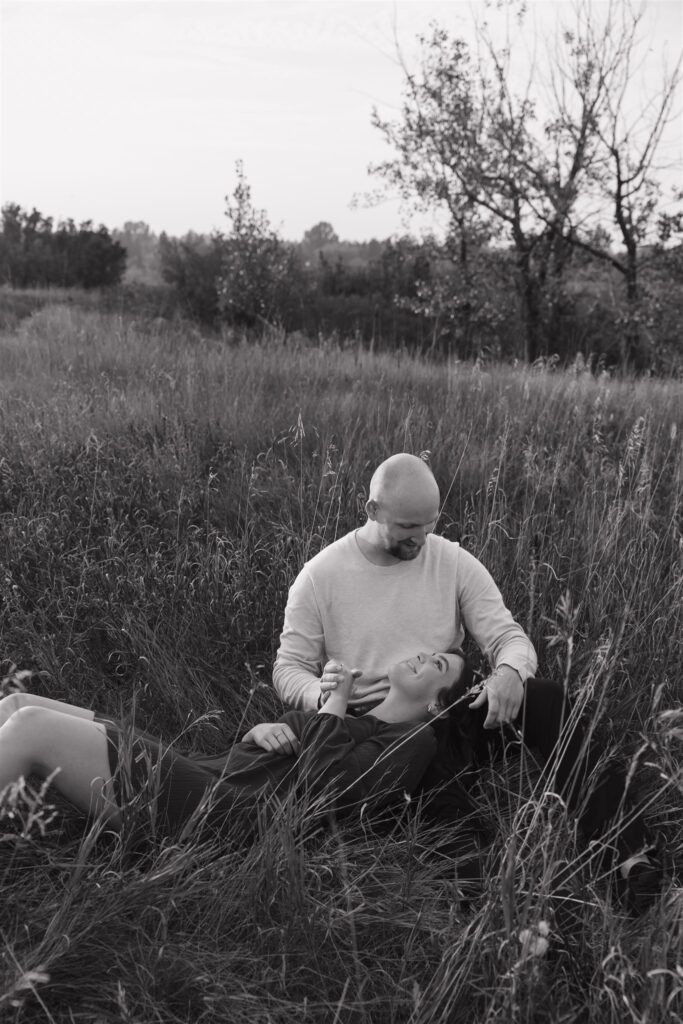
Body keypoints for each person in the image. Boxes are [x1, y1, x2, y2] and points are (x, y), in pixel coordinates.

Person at [0, 648, 478, 841]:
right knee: (18, 702)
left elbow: (329, 783)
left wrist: (334, 702)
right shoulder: (349, 718)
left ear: (438, 706)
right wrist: (253, 732)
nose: (422, 654)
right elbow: (265, 757)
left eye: (437, 663)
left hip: (226, 814)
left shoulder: (415, 740)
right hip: (200, 772)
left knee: (32, 728)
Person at [274, 452, 534, 727]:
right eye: (408, 526)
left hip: (442, 715)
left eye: (430, 523)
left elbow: (508, 638)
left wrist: (509, 672)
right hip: (365, 726)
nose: (422, 540)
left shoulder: (453, 562)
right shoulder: (318, 576)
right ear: (373, 510)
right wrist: (322, 694)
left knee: (543, 698)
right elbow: (289, 668)